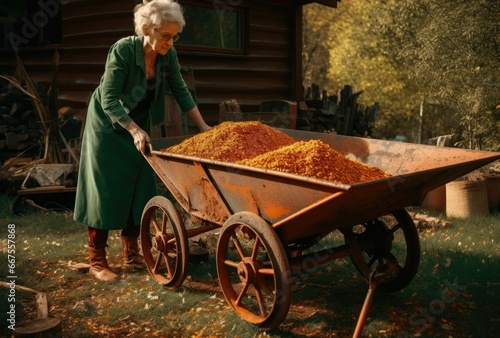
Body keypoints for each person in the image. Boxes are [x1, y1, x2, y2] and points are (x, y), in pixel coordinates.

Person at [73, 0, 210, 282]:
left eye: (175, 36)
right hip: (108, 127)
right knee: (106, 190)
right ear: (147, 28)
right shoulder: (123, 50)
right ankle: (97, 259)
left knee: (139, 185)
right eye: (166, 36)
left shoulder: (167, 55)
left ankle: (131, 252)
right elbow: (109, 99)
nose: (170, 42)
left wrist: (204, 126)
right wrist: (134, 130)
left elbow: (181, 91)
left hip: (138, 125)